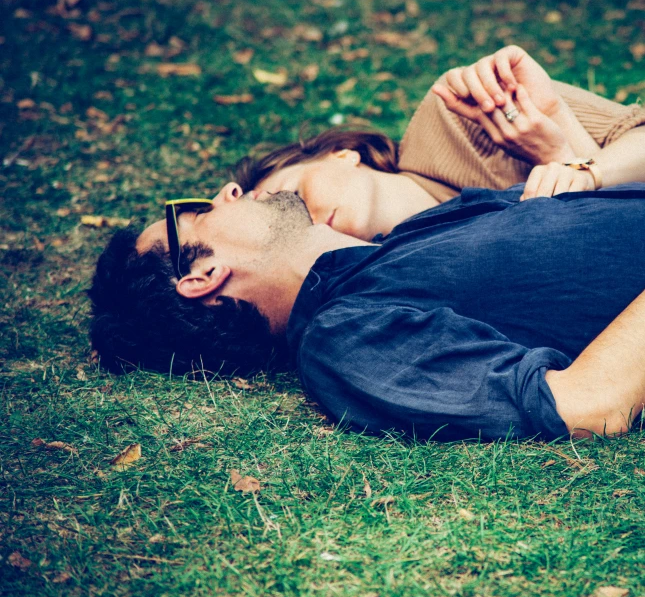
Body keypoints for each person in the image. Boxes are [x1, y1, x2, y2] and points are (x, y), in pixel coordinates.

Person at [89, 182, 645, 442]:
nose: (229, 189)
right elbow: (586, 408)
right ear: (200, 276)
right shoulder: (343, 338)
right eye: (195, 213)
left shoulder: (397, 241)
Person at [228, 46, 645, 242]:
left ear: (343, 154)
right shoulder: (406, 268)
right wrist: (558, 156)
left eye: (296, 198)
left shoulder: (458, 113)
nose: (309, 222)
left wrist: (560, 129)